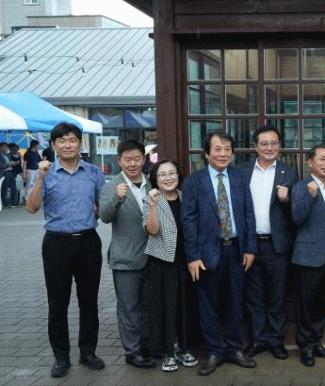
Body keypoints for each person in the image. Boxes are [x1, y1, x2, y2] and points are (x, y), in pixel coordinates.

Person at [26, 122, 106, 378]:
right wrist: (40, 177)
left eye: (73, 140)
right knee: (57, 304)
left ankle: (88, 352)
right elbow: (31, 207)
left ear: (80, 143)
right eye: (62, 141)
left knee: (89, 301)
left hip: (88, 242)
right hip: (56, 244)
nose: (68, 145)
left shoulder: (93, 173)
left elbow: (102, 207)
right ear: (53, 145)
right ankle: (61, 357)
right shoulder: (45, 173)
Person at [181, 131, 257, 376]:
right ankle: (214, 351)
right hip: (206, 253)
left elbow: (248, 214)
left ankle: (235, 348)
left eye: (227, 149)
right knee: (208, 305)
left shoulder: (239, 178)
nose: (223, 154)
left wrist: (250, 248)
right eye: (217, 149)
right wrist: (192, 256)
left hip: (236, 249)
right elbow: (188, 221)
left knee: (235, 303)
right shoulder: (195, 181)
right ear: (206, 154)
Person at [237, 125, 298, 360]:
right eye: (264, 143)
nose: (269, 147)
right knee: (253, 297)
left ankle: (276, 341)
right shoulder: (242, 172)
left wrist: (287, 199)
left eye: (274, 143)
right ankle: (258, 340)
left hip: (277, 245)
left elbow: (296, 211)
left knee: (277, 296)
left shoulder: (288, 172)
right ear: (256, 147)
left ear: (280, 146)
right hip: (250, 245)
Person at [98, 140, 154, 370]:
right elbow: (104, 216)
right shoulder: (112, 186)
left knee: (149, 305)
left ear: (144, 160)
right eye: (127, 159)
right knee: (129, 307)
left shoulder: (152, 183)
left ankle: (148, 345)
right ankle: (133, 351)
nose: (132, 164)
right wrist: (116, 198)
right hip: (125, 258)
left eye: (137, 159)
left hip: (152, 256)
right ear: (119, 161)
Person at [291, 145, 325, 367]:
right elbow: (296, 217)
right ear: (310, 162)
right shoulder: (301, 187)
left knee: (323, 303)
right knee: (305, 304)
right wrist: (310, 196)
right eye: (322, 159)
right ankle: (305, 346)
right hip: (307, 256)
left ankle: (316, 342)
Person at [143, 159, 201, 371]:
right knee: (165, 308)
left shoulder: (187, 197)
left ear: (178, 175)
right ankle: (168, 352)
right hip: (162, 262)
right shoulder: (150, 199)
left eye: (172, 173)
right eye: (162, 175)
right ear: (155, 179)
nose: (168, 178)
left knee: (185, 307)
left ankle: (185, 348)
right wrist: (153, 204)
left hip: (186, 261)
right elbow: (152, 230)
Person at [0, 142, 12, 208]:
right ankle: (4, 203)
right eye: (4, 147)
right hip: (4, 172)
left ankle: (11, 202)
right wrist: (8, 164)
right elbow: (1, 165)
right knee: (4, 188)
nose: (6, 148)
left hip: (10, 171)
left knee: (10, 187)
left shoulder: (7, 154)